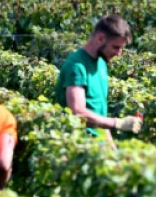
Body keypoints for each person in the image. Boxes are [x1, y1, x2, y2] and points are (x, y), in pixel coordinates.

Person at [53, 14, 141, 148]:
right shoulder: (76, 66)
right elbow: (78, 113)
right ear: (100, 38)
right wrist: (117, 123)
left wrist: (110, 144)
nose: (119, 53)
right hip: (78, 146)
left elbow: (99, 111)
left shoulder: (101, 63)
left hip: (99, 146)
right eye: (116, 47)